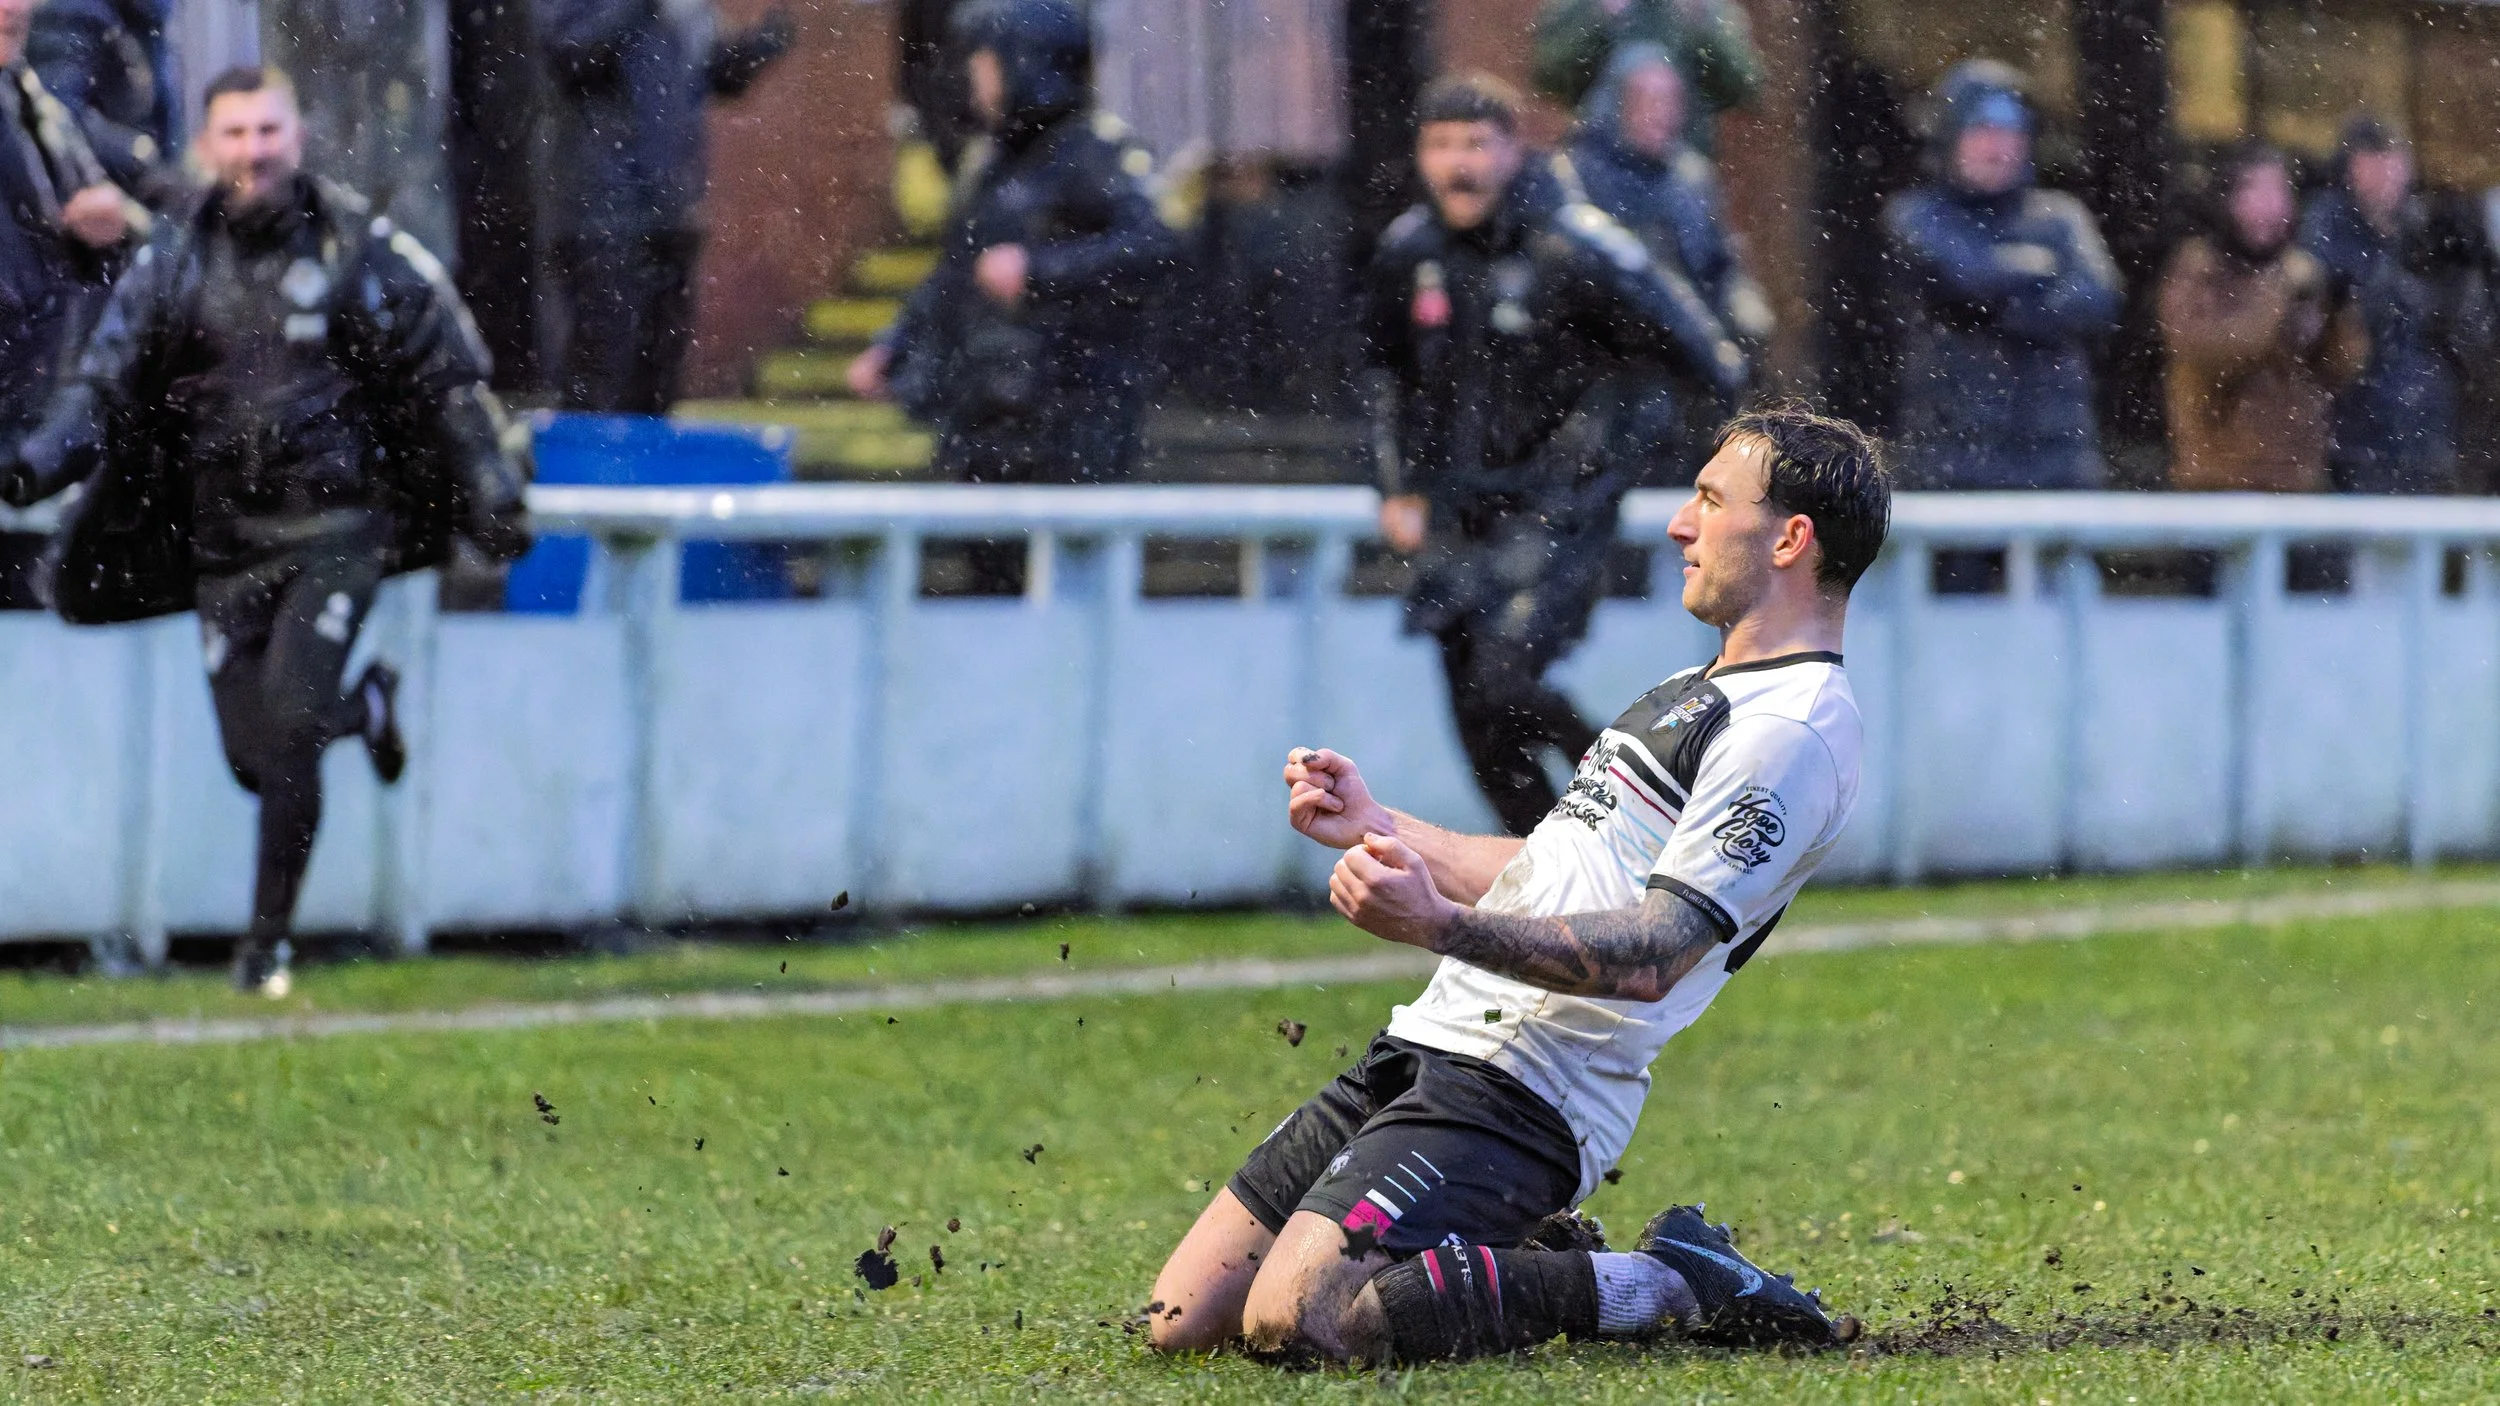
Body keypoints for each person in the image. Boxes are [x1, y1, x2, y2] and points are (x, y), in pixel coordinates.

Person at [1144, 406, 1889, 1364]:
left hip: (1530, 1086)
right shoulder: (1694, 688)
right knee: (1181, 1324)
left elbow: (1658, 952)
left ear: (1792, 538)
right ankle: (1512, 1250)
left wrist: (1439, 924)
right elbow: (1548, 870)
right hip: (1435, 1042)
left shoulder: (1792, 730)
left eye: (1709, 499)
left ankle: (1665, 1283)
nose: (1678, 523)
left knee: (1301, 1321)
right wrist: (1381, 825)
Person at [0, 67, 531, 993]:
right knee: (256, 761)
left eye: (269, 131)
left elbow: (447, 373)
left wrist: (491, 485)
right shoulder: (174, 259)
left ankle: (267, 947)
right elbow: (105, 385)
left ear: (300, 133)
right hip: (223, 542)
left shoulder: (356, 246)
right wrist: (35, 464)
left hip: (335, 527)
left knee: (288, 729)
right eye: (236, 134)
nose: (254, 152)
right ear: (208, 147)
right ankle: (365, 709)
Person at [1359, 73, 1745, 838]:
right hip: (1459, 507)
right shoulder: (1411, 251)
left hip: (1559, 509)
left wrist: (1620, 452)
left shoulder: (1576, 242)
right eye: (1439, 145)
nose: (1457, 163)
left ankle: (1641, 785)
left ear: (1513, 149)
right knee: (1474, 712)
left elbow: (1706, 358)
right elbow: (1383, 373)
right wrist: (1396, 483)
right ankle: (1553, 870)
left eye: (1476, 143)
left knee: (1504, 680)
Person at [847, 0, 1179, 486]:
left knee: (1065, 550)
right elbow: (955, 270)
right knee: (988, 547)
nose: (975, 78)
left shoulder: (1092, 152)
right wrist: (895, 346)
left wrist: (1039, 270)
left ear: (1026, 60)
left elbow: (1153, 246)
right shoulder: (992, 164)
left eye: (987, 61)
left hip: (1074, 412)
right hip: (987, 414)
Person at [536, 0, 794, 414]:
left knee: (657, 380)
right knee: (603, 373)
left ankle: (644, 473)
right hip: (602, 213)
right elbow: (570, 52)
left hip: (672, 214)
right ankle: (593, 474)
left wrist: (757, 48)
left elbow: (707, 74)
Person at [1882, 61, 2120, 490]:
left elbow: (2097, 299)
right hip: (1953, 462)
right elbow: (1962, 278)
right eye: (1981, 129)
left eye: (2011, 130)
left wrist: (1996, 306)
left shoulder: (2062, 217)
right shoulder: (1916, 215)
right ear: (1950, 136)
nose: (1998, 146)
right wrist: (2039, 272)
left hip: (2056, 461)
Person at [1562, 43, 1772, 487]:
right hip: (1614, 377)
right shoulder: (1578, 173)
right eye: (1647, 100)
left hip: (1691, 377)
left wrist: (1742, 318)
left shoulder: (1690, 178)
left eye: (1670, 101)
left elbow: (1720, 263)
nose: (1661, 114)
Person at [2158, 141, 2364, 493]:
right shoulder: (2197, 269)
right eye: (2258, 190)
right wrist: (2277, 296)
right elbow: (2210, 354)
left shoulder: (2303, 271)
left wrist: (2336, 315)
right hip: (2215, 481)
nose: (2272, 206)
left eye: (2281, 191)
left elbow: (2338, 368)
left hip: (2296, 483)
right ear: (2227, 198)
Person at [2299, 119, 2460, 495]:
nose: (2392, 172)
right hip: (2358, 429)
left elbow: (2448, 318)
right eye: (2377, 159)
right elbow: (2340, 314)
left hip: (2425, 427)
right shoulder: (2327, 224)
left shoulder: (2421, 226)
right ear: (2352, 165)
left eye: (2397, 158)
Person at [1529, 0, 1761, 156]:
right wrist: (1596, 17)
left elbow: (1746, 88)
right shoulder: (1584, 4)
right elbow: (1545, 76)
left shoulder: (1709, 8)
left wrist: (1703, 27)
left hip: (1679, 170)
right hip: (1595, 164)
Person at [25, 0, 181, 205]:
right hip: (101, 199)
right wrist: (139, 153)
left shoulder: (147, 16)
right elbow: (56, 113)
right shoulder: (75, 11)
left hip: (141, 191)